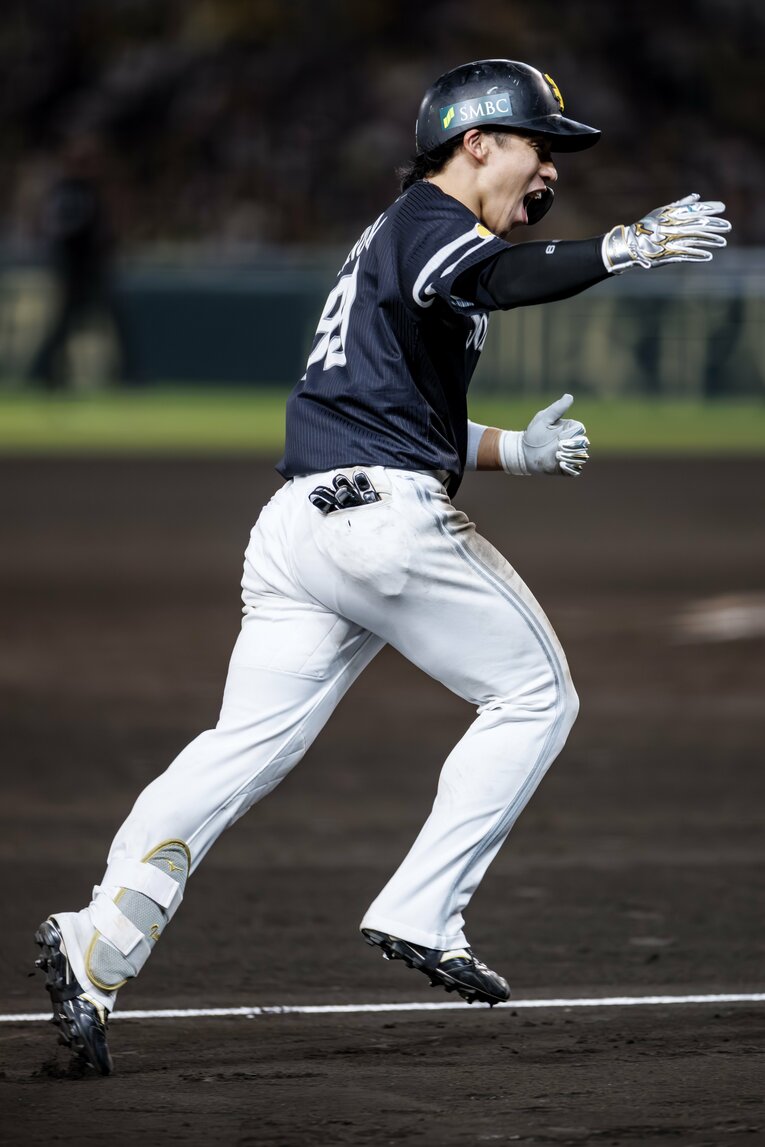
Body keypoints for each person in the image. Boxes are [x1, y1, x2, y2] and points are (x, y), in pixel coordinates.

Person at [34, 60, 730, 1075]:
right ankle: (422, 907)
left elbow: (399, 412)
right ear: (477, 141)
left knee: (238, 749)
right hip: (378, 523)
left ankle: (100, 939)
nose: (552, 173)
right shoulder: (433, 223)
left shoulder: (405, 240)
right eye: (542, 147)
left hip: (299, 528)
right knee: (536, 693)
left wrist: (513, 452)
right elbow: (491, 286)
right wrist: (622, 249)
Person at [27, 135, 136, 389]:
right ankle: (45, 372)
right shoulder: (72, 191)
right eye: (86, 160)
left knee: (98, 320)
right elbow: (70, 231)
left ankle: (47, 372)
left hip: (85, 267)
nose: (91, 166)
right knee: (74, 321)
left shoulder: (76, 190)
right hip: (79, 268)